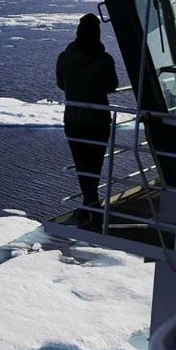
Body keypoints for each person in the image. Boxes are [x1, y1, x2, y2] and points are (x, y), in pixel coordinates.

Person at [56, 13, 118, 224]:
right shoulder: (105, 59)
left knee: (82, 165)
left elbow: (61, 84)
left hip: (73, 120)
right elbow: (111, 86)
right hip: (98, 120)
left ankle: (90, 205)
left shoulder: (64, 58)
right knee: (94, 165)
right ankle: (93, 207)